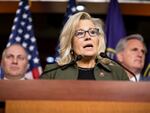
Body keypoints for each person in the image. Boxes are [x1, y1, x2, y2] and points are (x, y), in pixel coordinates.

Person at [40, 12, 129, 80]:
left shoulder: (117, 73)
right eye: (80, 33)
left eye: (93, 32)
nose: (88, 37)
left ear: (98, 40)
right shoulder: (52, 72)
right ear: (70, 43)